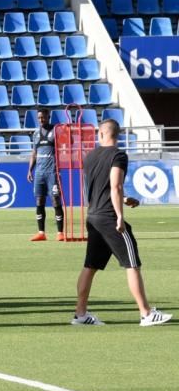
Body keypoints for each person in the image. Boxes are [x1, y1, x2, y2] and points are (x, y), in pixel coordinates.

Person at [71, 119, 172, 327]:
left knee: (90, 266)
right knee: (132, 263)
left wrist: (124, 199)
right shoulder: (118, 155)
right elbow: (115, 186)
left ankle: (80, 314)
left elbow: (98, 187)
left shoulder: (90, 156)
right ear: (117, 135)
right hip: (109, 217)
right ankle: (146, 314)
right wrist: (119, 215)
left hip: (94, 215)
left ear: (101, 134)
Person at [27, 108, 65, 242]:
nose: (41, 120)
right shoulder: (36, 134)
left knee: (55, 200)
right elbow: (34, 153)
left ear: (48, 117)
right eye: (39, 118)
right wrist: (30, 170)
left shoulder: (55, 131)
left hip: (52, 172)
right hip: (39, 172)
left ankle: (60, 233)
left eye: (43, 117)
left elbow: (68, 143)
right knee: (39, 201)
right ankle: (41, 233)